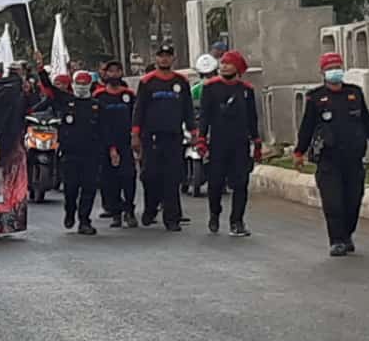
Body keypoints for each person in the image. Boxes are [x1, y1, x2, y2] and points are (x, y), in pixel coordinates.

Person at [294, 52, 369, 256]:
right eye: (330, 68)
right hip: (329, 159)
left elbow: (366, 120)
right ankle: (337, 240)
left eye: (337, 66)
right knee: (333, 201)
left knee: (353, 200)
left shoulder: (354, 93)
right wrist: (299, 152)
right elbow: (307, 127)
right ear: (323, 72)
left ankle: (346, 235)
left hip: (353, 159)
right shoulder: (315, 97)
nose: (335, 70)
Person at [132, 42, 195, 231]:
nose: (164, 58)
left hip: (173, 136)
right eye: (161, 55)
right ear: (156, 58)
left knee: (172, 177)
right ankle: (151, 208)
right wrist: (135, 134)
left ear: (173, 58)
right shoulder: (147, 82)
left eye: (168, 55)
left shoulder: (181, 82)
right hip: (150, 137)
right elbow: (139, 110)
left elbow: (188, 109)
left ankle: (172, 218)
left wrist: (193, 131)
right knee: (150, 176)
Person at [199, 50, 260, 237]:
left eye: (229, 63)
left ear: (238, 68)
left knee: (241, 183)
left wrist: (257, 142)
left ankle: (237, 221)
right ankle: (214, 214)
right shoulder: (210, 88)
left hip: (240, 144)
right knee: (215, 183)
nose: (224, 66)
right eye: (223, 63)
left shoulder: (246, 90)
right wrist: (202, 138)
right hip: (218, 143)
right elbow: (204, 116)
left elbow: (252, 118)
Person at [40, 70, 103, 235]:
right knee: (71, 188)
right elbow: (48, 87)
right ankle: (70, 212)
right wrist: (40, 70)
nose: (81, 87)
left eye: (85, 84)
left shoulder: (97, 105)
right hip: (70, 153)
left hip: (91, 153)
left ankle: (84, 220)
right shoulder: (65, 101)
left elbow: (106, 130)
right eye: (79, 84)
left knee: (89, 188)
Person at [96, 59, 138, 229]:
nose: (113, 74)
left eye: (117, 71)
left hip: (126, 143)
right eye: (110, 71)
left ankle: (129, 209)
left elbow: (137, 118)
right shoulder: (99, 97)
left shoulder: (129, 95)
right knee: (109, 180)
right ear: (105, 74)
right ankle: (116, 212)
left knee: (128, 177)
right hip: (105, 144)